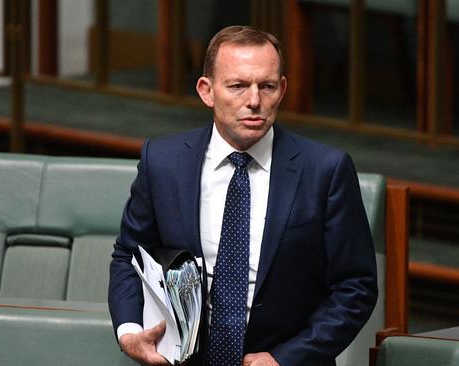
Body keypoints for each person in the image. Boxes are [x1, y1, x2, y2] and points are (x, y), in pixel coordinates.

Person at [108, 25, 377, 366]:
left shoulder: (325, 170)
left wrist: (285, 358)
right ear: (207, 91)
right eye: (237, 86)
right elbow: (129, 256)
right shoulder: (163, 161)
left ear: (281, 89)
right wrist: (130, 331)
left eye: (266, 86)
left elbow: (356, 286)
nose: (254, 101)